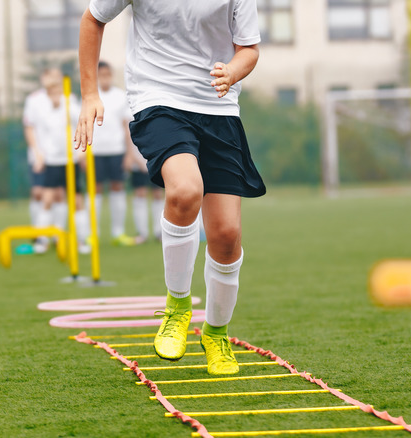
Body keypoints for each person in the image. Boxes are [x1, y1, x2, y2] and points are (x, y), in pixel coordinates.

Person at [75, 0, 266, 374]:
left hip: (218, 109)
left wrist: (233, 72)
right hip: (158, 100)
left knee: (226, 235)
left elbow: (250, 49)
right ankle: (178, 307)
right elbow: (92, 18)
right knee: (184, 190)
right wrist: (90, 95)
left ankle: (215, 333)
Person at [31, 78, 91, 255]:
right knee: (47, 198)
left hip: (70, 160)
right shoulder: (44, 112)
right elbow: (40, 135)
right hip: (53, 161)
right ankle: (42, 240)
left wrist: (83, 153)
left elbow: (82, 124)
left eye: (58, 92)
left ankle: (82, 239)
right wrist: (40, 157)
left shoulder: (71, 107)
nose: (55, 96)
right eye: (52, 93)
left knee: (77, 201)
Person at [90, 61, 135, 245]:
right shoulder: (90, 97)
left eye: (107, 74)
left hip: (117, 150)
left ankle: (118, 233)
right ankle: (93, 234)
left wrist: (129, 154)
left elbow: (127, 127)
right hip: (94, 151)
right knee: (95, 191)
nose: (105, 77)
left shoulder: (120, 96)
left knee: (118, 188)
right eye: (101, 74)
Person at [24, 68, 62, 229]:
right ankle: (38, 231)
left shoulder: (69, 98)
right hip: (41, 155)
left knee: (59, 194)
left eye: (56, 76)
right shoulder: (34, 99)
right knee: (39, 193)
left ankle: (57, 233)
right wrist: (37, 153)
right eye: (50, 76)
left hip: (61, 156)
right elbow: (29, 127)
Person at [128, 140, 165, 243]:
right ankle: (142, 233)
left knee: (158, 194)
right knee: (140, 195)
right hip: (138, 164)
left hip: (156, 162)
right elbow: (128, 138)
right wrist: (135, 159)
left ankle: (160, 232)